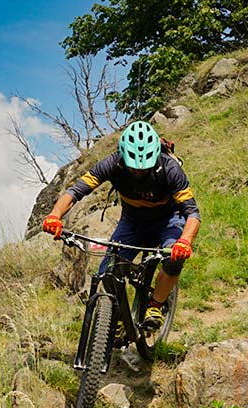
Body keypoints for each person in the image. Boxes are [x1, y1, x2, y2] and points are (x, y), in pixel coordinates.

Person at [41, 121, 200, 329]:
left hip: (169, 219)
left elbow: (192, 213)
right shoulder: (112, 164)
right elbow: (75, 191)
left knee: (172, 257)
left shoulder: (169, 168)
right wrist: (55, 215)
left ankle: (156, 304)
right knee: (107, 272)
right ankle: (113, 320)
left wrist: (185, 241)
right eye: (134, 168)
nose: (139, 173)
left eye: (145, 168)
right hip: (132, 222)